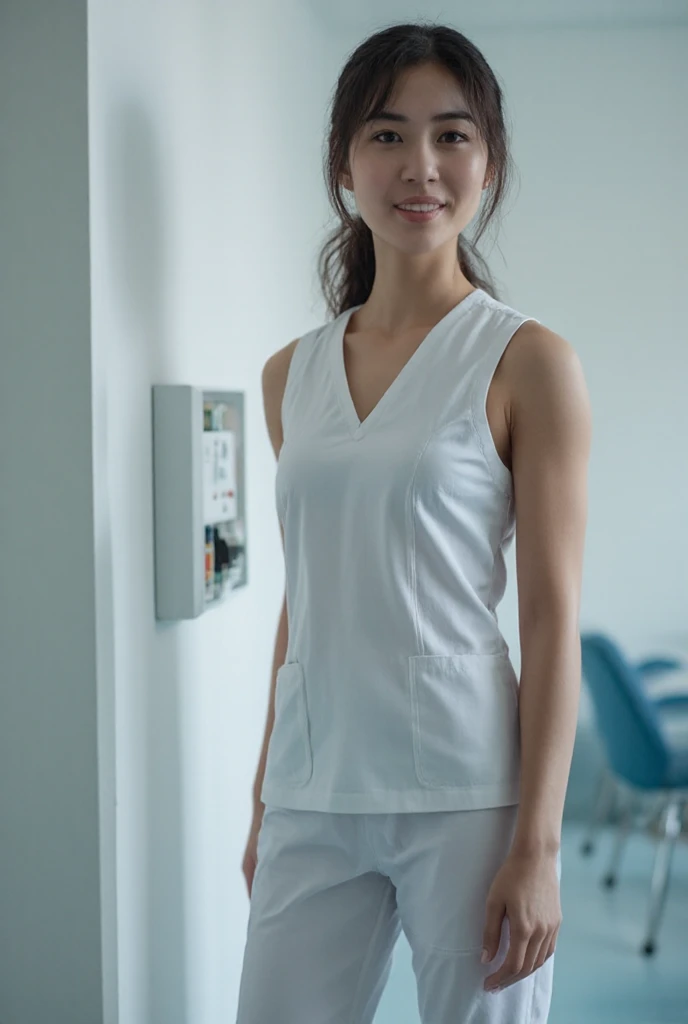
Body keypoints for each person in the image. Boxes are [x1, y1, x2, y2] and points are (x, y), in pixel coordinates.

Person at [237, 20, 591, 1024]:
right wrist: (267, 793)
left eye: (452, 134)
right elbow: (308, 594)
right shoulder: (286, 376)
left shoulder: (528, 361)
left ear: (489, 159)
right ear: (344, 161)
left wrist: (538, 845)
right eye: (387, 135)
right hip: (315, 788)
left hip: (466, 794)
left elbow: (551, 618)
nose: (420, 166)